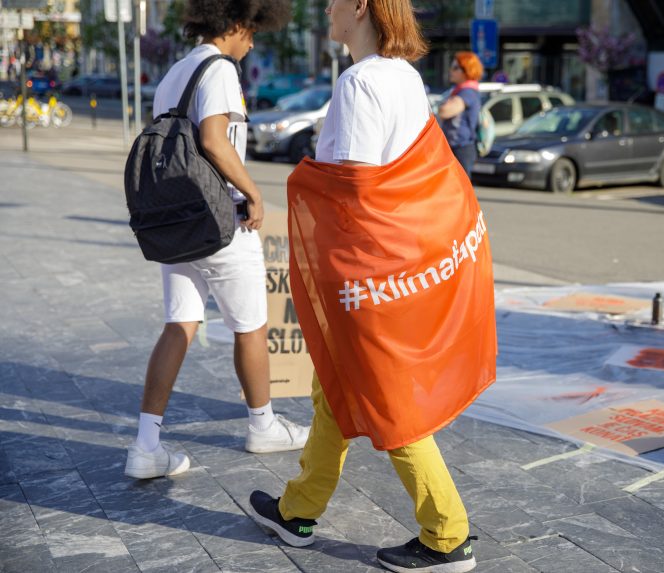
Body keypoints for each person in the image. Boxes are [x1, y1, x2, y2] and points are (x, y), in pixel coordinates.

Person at [247, 1, 497, 572]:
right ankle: (297, 510)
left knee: (386, 397)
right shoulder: (405, 76)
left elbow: (352, 194)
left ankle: (446, 534)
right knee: (337, 386)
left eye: (332, 1)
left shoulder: (359, 82)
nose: (326, 10)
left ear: (359, 6)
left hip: (366, 272)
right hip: (399, 265)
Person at [124, 0, 309, 481]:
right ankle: (263, 424)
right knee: (250, 326)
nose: (252, 42)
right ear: (236, 24)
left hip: (178, 221)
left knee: (179, 325)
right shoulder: (220, 69)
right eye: (252, 32)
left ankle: (146, 447)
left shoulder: (176, 72)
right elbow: (213, 139)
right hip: (221, 220)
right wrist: (253, 192)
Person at [437, 51, 484, 177]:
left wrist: (442, 106)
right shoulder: (459, 91)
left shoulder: (467, 92)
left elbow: (445, 111)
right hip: (457, 146)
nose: (451, 71)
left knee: (460, 189)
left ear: (466, 70)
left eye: (455, 68)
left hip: (461, 147)